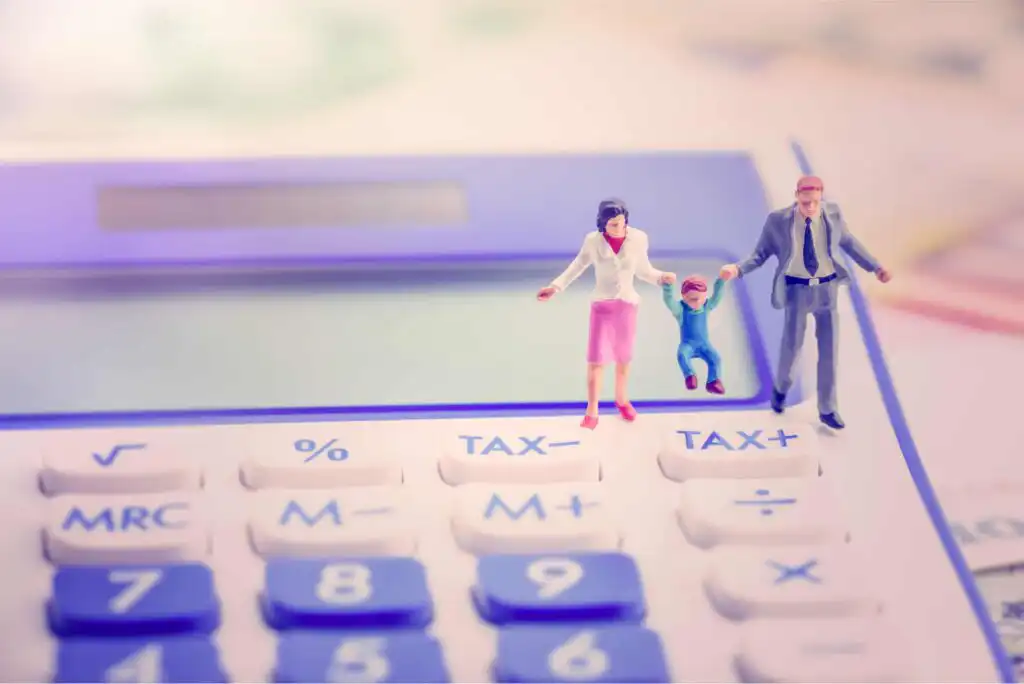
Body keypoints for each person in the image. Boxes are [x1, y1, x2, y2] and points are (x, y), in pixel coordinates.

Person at [720, 175, 891, 429]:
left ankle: (828, 408)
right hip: (797, 291)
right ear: (797, 195)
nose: (810, 206)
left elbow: (850, 243)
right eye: (805, 201)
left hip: (827, 288)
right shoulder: (778, 221)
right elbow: (760, 254)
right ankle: (781, 388)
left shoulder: (832, 215)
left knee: (829, 351)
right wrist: (738, 269)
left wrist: (874, 267)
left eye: (815, 201)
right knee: (792, 346)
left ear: (821, 197)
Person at [537, 198, 676, 429]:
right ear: (603, 224)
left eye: (622, 223)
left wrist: (661, 278)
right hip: (602, 305)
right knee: (596, 359)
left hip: (627, 304)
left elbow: (643, 270)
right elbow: (577, 266)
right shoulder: (593, 241)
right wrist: (555, 287)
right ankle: (592, 408)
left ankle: (622, 399)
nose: (619, 228)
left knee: (623, 357)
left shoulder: (638, 238)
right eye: (613, 225)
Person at [661, 274, 727, 394]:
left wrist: (721, 281)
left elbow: (717, 296)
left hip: (704, 345)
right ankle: (690, 376)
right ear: (684, 297)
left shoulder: (706, 306)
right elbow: (669, 301)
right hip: (688, 345)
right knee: (682, 356)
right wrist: (668, 287)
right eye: (692, 299)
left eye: (701, 298)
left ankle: (713, 381)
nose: (698, 302)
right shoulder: (680, 310)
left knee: (715, 359)